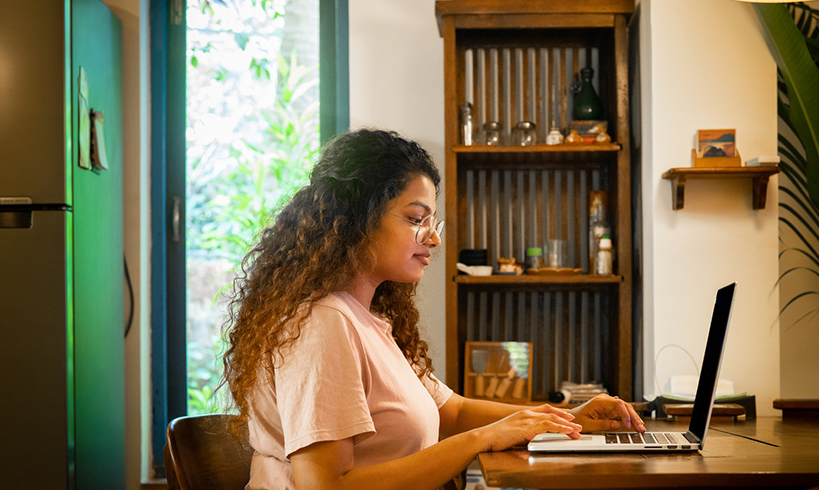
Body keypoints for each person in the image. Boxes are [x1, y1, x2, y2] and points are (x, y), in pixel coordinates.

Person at [221, 129, 644, 490]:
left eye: (432, 222)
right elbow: (327, 486)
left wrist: (567, 420)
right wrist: (482, 439)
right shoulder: (322, 322)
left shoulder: (366, 321)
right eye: (415, 218)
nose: (433, 239)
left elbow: (450, 410)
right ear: (355, 218)